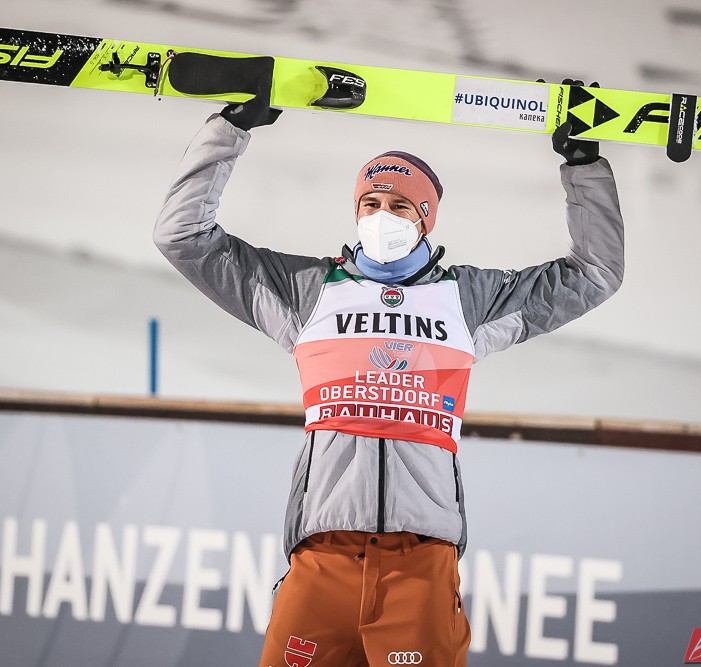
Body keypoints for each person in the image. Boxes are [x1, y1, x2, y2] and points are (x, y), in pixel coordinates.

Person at [153, 80, 624, 667]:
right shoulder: (308, 291)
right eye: (370, 204)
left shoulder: (467, 300)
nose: (382, 216)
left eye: (399, 206)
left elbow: (594, 273)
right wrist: (230, 129)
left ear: (425, 218)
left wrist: (583, 165)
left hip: (420, 561)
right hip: (322, 556)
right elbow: (182, 236)